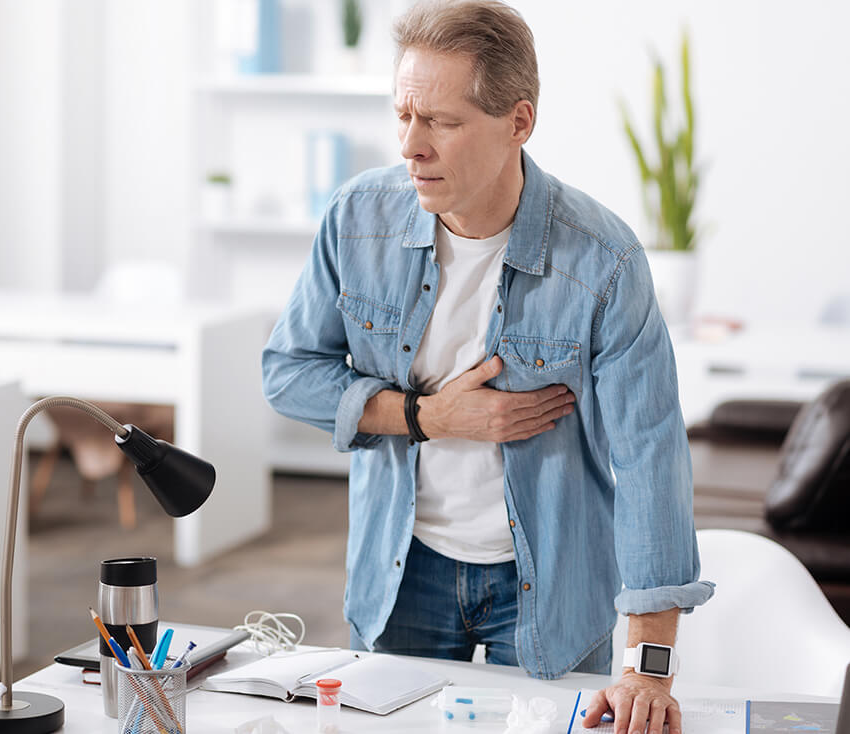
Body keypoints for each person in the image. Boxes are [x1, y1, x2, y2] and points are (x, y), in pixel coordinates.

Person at [261, 2, 714, 733]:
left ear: (518, 123)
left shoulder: (603, 262)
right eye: (403, 114)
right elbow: (288, 370)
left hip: (551, 585)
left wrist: (649, 668)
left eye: (441, 121)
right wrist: (424, 416)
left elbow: (651, 456)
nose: (411, 145)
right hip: (402, 569)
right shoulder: (357, 219)